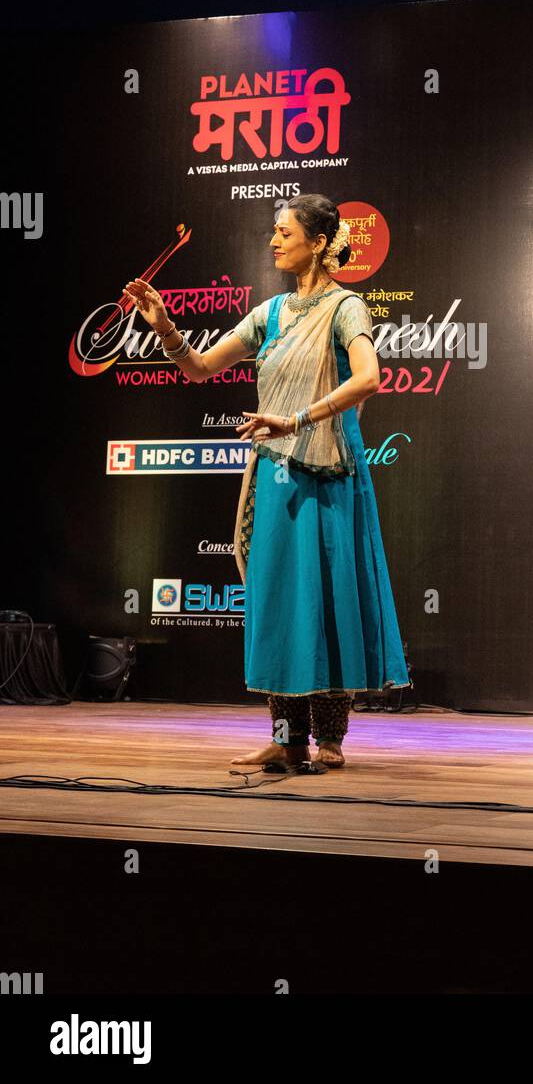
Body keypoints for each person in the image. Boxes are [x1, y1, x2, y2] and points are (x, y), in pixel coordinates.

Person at [124, 194, 411, 771]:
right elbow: (201, 367)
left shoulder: (346, 307)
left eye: (284, 232)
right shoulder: (272, 313)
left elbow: (369, 379)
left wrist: (298, 418)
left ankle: (330, 737)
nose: (273, 241)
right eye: (273, 232)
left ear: (321, 241)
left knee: (329, 596)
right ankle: (286, 738)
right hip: (277, 474)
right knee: (278, 601)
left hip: (329, 473)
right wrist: (166, 329)